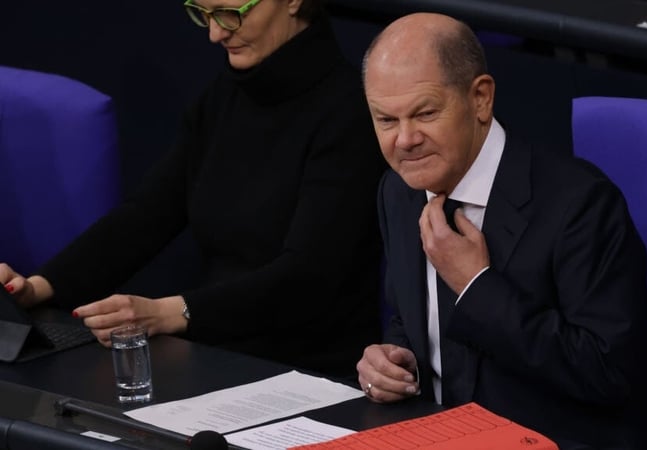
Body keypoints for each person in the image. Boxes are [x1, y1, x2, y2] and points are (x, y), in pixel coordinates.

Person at [0, 0, 386, 379]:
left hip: (308, 369)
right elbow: (147, 214)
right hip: (218, 352)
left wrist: (173, 312)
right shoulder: (227, 95)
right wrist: (38, 287)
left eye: (230, 14)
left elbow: (306, 277)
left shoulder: (348, 113)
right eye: (203, 15)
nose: (216, 33)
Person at [355, 12, 647, 449]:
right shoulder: (398, 192)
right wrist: (393, 363)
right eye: (386, 120)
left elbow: (608, 374)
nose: (405, 140)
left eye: (425, 113)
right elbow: (411, 320)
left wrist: (476, 286)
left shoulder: (579, 204)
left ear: (480, 98)